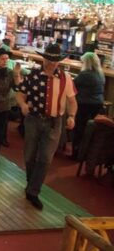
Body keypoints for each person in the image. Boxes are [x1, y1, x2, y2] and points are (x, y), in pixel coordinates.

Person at [16, 44, 77, 210]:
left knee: (45, 159)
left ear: (59, 61)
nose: (51, 63)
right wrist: (22, 105)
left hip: (54, 122)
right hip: (33, 119)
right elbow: (20, 94)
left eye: (54, 60)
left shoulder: (66, 78)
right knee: (29, 155)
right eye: (48, 59)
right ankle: (31, 184)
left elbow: (72, 101)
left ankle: (33, 191)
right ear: (43, 58)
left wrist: (71, 116)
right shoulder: (33, 75)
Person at [71, 52, 105, 160]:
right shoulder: (100, 74)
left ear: (86, 63)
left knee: (79, 128)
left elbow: (72, 85)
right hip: (98, 104)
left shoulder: (85, 74)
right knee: (89, 128)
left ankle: (77, 153)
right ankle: (86, 152)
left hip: (84, 104)